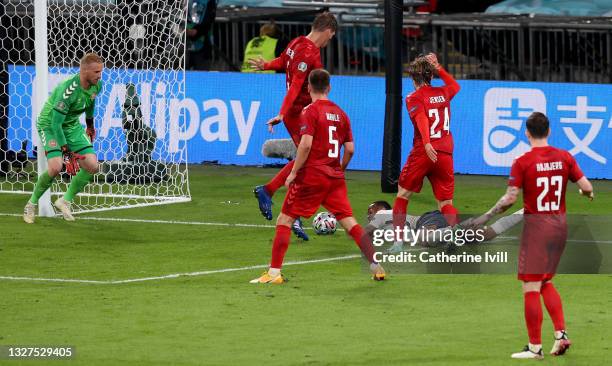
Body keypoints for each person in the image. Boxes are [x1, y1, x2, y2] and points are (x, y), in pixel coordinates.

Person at [469, 112, 594, 359]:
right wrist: (585, 194)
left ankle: (534, 348)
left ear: (527, 133)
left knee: (530, 286)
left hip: (537, 230)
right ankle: (561, 336)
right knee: (545, 281)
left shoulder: (523, 161)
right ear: (549, 131)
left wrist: (486, 216)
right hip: (560, 228)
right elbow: (587, 187)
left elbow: (510, 199)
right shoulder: (565, 156)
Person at [250, 69, 385, 284]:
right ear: (329, 87)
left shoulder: (310, 111)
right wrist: (340, 168)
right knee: (349, 223)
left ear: (308, 88)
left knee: (284, 220)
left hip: (311, 176)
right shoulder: (341, 114)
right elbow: (350, 149)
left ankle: (274, 273)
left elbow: (305, 144)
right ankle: (376, 266)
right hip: (334, 177)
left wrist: (294, 172)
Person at [248, 12, 337, 241]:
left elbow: (282, 62)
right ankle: (288, 207)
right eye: (331, 36)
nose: (330, 41)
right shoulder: (309, 51)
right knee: (307, 160)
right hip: (300, 114)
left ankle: (273, 195)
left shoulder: (297, 42)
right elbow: (296, 85)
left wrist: (266, 64)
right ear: (328, 30)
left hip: (303, 113)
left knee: (305, 159)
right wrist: (283, 113)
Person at [23, 53, 103, 223]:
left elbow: (91, 103)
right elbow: (56, 124)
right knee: (56, 166)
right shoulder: (68, 91)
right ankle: (31, 204)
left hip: (71, 125)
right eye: (96, 72)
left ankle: (64, 201)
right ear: (84, 71)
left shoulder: (97, 85)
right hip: (50, 125)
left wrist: (89, 125)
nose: (99, 75)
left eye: (101, 71)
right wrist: (66, 153)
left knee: (92, 165)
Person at [392, 53, 461, 248]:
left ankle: (397, 243)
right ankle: (455, 233)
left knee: (403, 195)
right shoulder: (443, 92)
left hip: (425, 151)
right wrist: (438, 66)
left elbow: (421, 118)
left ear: (413, 78)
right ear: (431, 77)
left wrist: (427, 142)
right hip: (445, 153)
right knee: (445, 202)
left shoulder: (413, 97)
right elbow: (456, 86)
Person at [365, 200, 524, 251]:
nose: (368, 215)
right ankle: (527, 210)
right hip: (438, 225)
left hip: (428, 221)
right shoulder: (386, 224)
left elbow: (364, 233)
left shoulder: (382, 215)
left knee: (423, 239)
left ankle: (455, 230)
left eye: (370, 211)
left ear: (380, 209)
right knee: (487, 234)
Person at [186, 0, 217, 70]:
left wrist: (195, 31)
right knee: (183, 76)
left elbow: (208, 23)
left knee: (202, 75)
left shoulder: (209, 2)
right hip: (183, 47)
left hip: (202, 47)